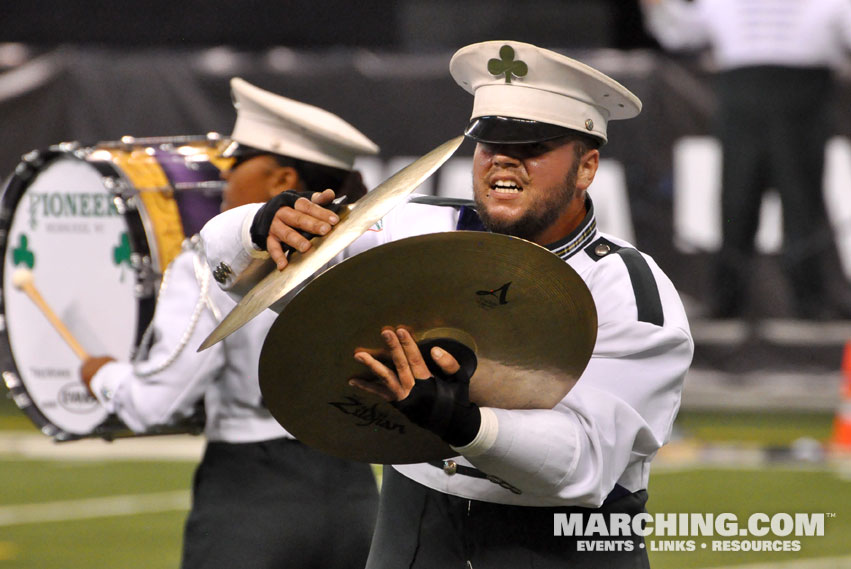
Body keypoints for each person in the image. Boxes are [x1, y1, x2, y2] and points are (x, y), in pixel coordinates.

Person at [201, 41, 694, 568]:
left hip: (560, 543)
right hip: (414, 525)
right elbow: (249, 276)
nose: (503, 158)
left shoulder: (629, 289)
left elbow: (586, 461)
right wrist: (258, 227)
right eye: (490, 142)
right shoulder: (412, 228)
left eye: (532, 145)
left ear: (587, 167)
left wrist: (462, 422)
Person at [79, 77, 380, 569]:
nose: (225, 181)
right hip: (357, 501)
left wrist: (101, 376)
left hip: (250, 502)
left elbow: (155, 405)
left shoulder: (214, 258)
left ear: (281, 180)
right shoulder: (363, 251)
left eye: (237, 164)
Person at [641, 0, 851, 320]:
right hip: (742, 102)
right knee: (736, 203)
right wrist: (657, 7)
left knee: (803, 204)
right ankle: (725, 302)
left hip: (803, 100)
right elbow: (680, 34)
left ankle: (815, 303)